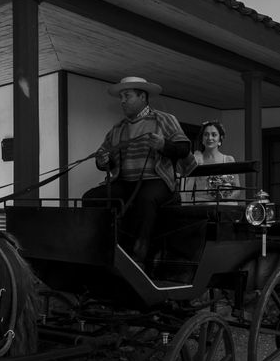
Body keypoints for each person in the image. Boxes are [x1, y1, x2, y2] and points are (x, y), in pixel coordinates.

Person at [82, 76, 197, 265]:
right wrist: (103, 160)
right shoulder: (118, 129)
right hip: (125, 183)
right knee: (91, 197)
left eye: (127, 96)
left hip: (157, 180)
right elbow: (105, 160)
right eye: (121, 97)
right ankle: (103, 247)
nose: (123, 101)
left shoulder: (164, 120)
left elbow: (183, 148)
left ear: (142, 97)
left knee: (145, 198)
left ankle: (139, 256)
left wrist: (164, 145)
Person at [184, 120, 240, 204]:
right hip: (202, 205)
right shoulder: (196, 159)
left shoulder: (229, 160)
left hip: (224, 205)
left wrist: (222, 201)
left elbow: (237, 189)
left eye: (214, 135)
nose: (209, 138)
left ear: (220, 139)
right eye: (206, 134)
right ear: (202, 139)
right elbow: (187, 190)